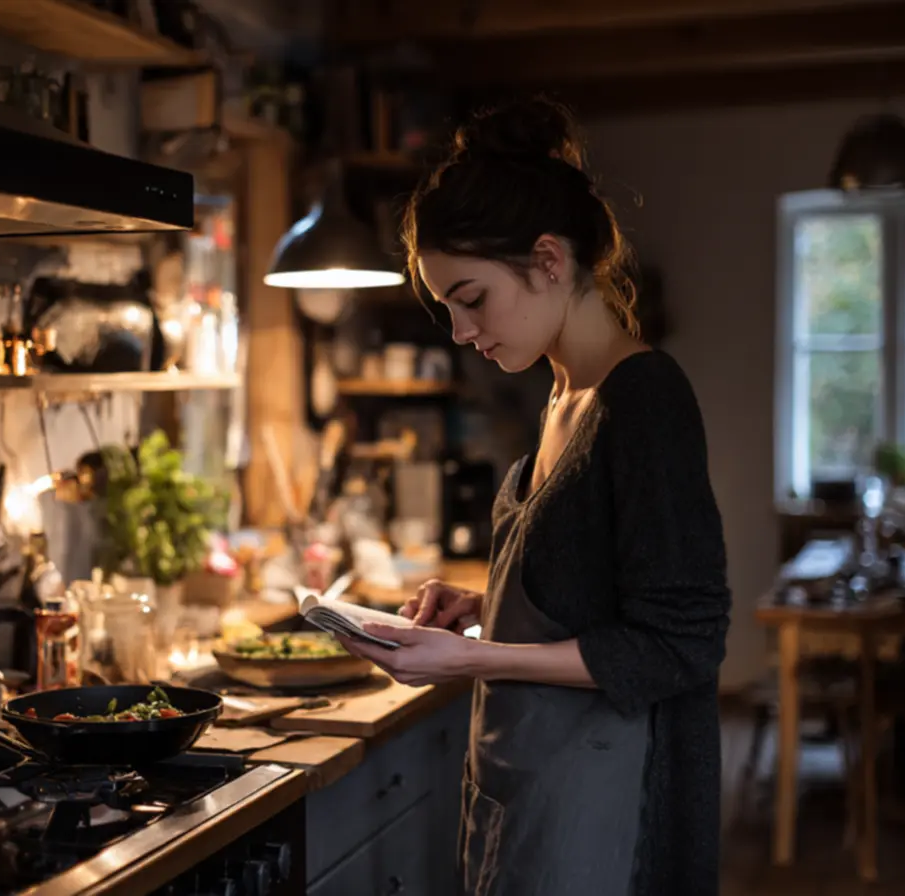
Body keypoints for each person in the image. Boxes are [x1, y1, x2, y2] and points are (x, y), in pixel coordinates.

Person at [337, 97, 731, 896]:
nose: (459, 331)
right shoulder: (560, 395)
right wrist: (480, 609)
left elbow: (681, 641)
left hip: (610, 809)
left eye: (471, 298)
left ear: (549, 260)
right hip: (530, 788)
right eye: (446, 305)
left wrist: (476, 656)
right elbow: (593, 596)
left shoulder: (644, 399)